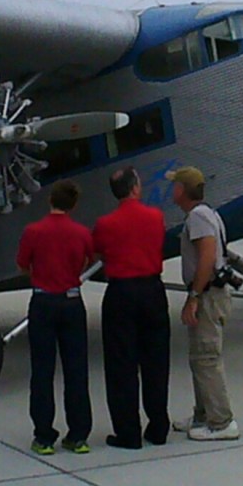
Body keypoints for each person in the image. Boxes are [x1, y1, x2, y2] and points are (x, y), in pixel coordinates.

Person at [92, 166, 170, 449]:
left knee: (121, 365)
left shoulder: (105, 224)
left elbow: (97, 250)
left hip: (121, 291)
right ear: (136, 187)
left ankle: (128, 431)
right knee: (156, 362)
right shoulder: (155, 217)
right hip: (152, 289)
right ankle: (158, 425)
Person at [16, 179, 94, 456]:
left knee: (42, 371)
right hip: (72, 301)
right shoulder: (82, 232)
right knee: (76, 371)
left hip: (43, 300)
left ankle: (44, 435)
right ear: (73, 204)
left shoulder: (33, 231)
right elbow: (87, 260)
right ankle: (79, 434)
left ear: (51, 200)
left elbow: (23, 263)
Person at [166, 166, 239, 441]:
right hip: (210, 293)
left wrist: (193, 297)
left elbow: (206, 258)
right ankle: (203, 414)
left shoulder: (198, 218)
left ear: (182, 190)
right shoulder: (206, 214)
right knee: (200, 358)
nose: (171, 190)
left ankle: (221, 422)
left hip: (208, 295)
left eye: (174, 185)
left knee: (207, 359)